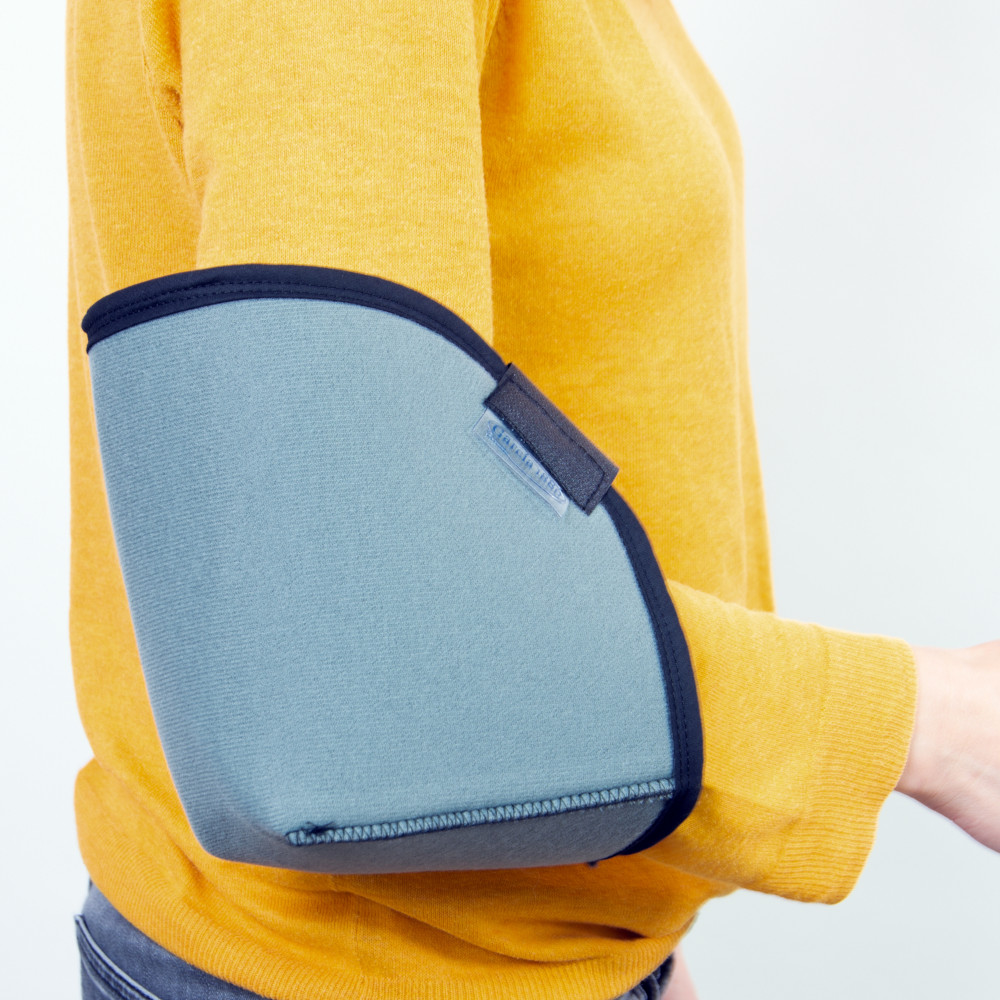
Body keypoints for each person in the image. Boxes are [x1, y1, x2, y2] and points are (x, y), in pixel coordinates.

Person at [64, 1, 1000, 999]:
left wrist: (626, 935)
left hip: (561, 923)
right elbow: (361, 647)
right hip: (352, 963)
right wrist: (920, 722)